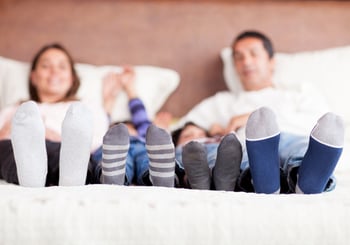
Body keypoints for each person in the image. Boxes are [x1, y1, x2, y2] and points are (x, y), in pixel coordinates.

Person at [178, 30, 344, 194]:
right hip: (248, 150)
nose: (246, 62)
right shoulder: (222, 102)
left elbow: (322, 128)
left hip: (292, 138)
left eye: (253, 54)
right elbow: (186, 130)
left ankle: (305, 177)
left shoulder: (299, 93)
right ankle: (262, 180)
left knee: (299, 146)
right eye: (239, 57)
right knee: (243, 156)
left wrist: (250, 119)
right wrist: (212, 131)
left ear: (272, 61)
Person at [91, 67, 176, 187]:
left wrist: (130, 88)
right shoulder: (103, 129)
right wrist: (109, 97)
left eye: (127, 127)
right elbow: (102, 120)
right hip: (110, 149)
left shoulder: (142, 131)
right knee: (112, 161)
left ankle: (158, 178)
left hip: (142, 145)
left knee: (148, 159)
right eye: (117, 129)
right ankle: (113, 177)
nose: (124, 131)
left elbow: (139, 112)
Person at [172, 122, 242, 191]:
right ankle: (196, 178)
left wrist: (217, 130)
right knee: (186, 159)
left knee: (221, 153)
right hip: (188, 153)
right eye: (188, 136)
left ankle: (219, 177)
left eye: (201, 134)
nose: (196, 138)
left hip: (216, 152)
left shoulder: (215, 139)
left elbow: (226, 136)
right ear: (175, 143)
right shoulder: (176, 148)